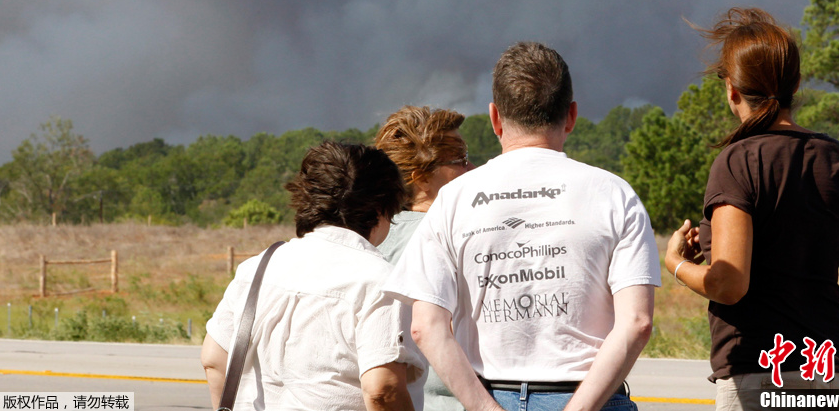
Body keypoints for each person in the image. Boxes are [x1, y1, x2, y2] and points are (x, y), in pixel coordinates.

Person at [384, 41, 661, 411]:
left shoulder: (453, 200)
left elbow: (426, 327)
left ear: (495, 118)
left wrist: (484, 408)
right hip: (591, 398)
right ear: (572, 115)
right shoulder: (614, 193)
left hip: (491, 394)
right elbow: (637, 322)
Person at [664, 8, 839, 411]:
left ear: (731, 90)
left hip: (760, 375)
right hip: (835, 373)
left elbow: (729, 285)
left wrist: (676, 262)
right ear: (796, 84)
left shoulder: (737, 162)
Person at [201, 140, 426, 411]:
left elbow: (214, 358)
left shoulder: (258, 266)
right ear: (380, 209)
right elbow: (382, 389)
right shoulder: (380, 281)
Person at [374, 105, 474, 411]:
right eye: (459, 160)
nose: (471, 168)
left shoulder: (370, 238)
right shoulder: (453, 238)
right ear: (420, 178)